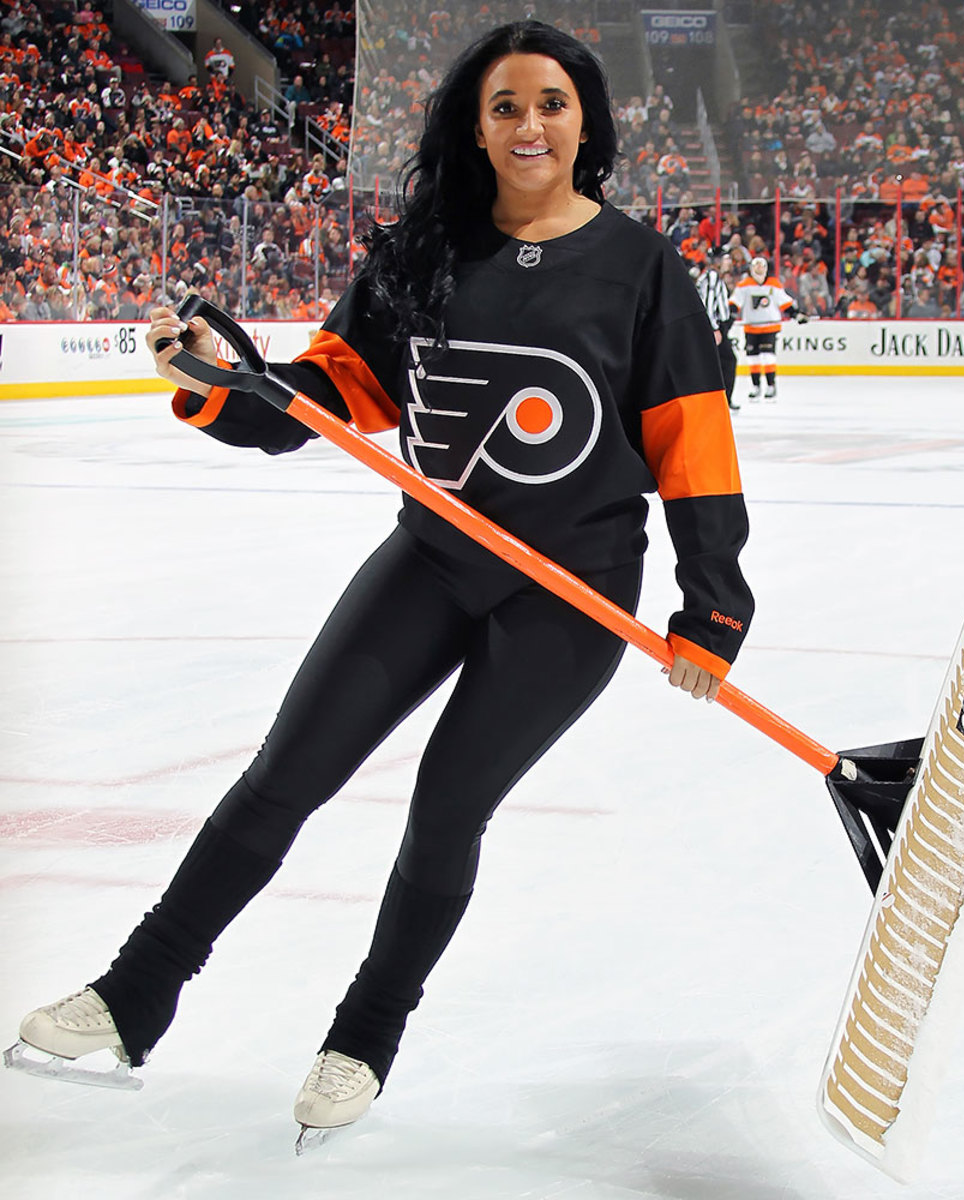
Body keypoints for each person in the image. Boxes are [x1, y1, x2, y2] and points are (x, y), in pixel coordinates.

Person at [9, 22, 754, 1148]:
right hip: (432, 557)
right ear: (474, 123)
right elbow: (326, 394)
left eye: (550, 102)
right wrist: (220, 385)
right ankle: (132, 997)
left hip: (567, 594)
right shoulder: (420, 252)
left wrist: (712, 608)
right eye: (504, 105)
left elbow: (691, 445)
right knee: (282, 775)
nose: (529, 125)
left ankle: (364, 1036)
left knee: (444, 811)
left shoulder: (642, 267)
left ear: (586, 120)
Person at [732, 256, 800, 400]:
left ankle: (770, 385)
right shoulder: (744, 285)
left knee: (768, 356)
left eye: (761, 265)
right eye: (756, 265)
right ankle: (756, 386)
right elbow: (735, 301)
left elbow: (785, 302)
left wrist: (796, 314)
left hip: (770, 326)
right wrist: (731, 312)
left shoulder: (774, 284)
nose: (759, 268)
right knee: (753, 358)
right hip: (751, 327)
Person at [696, 251, 738, 410]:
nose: (729, 263)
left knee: (721, 362)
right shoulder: (712, 277)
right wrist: (714, 328)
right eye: (726, 259)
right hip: (714, 326)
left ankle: (720, 400)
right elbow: (708, 303)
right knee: (727, 361)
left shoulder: (712, 277)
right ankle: (722, 400)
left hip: (716, 326)